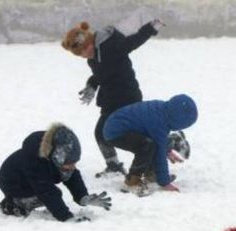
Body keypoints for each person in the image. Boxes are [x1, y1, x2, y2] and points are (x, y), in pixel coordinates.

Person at [62, 19, 162, 178]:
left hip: (128, 97)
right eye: (80, 54)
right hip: (110, 100)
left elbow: (133, 42)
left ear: (89, 41)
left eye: (84, 49)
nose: (84, 54)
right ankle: (113, 165)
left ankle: (168, 145)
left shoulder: (111, 46)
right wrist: (91, 85)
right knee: (101, 133)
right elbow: (100, 74)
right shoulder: (93, 57)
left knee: (125, 133)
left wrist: (150, 28)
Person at [0, 123, 111, 222]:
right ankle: (13, 205)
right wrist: (66, 217)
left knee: (55, 192)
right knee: (50, 195)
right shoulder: (34, 159)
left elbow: (72, 176)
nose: (72, 166)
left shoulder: (56, 154)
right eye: (69, 163)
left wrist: (83, 197)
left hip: (34, 180)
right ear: (58, 156)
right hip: (15, 183)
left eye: (74, 163)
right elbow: (46, 191)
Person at [102, 94, 198, 194]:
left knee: (152, 144)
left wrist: (167, 150)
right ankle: (132, 181)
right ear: (178, 121)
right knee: (147, 146)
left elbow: (157, 137)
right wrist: (165, 182)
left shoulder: (163, 110)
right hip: (115, 132)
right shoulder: (159, 122)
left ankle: (151, 174)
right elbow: (160, 153)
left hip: (119, 125)